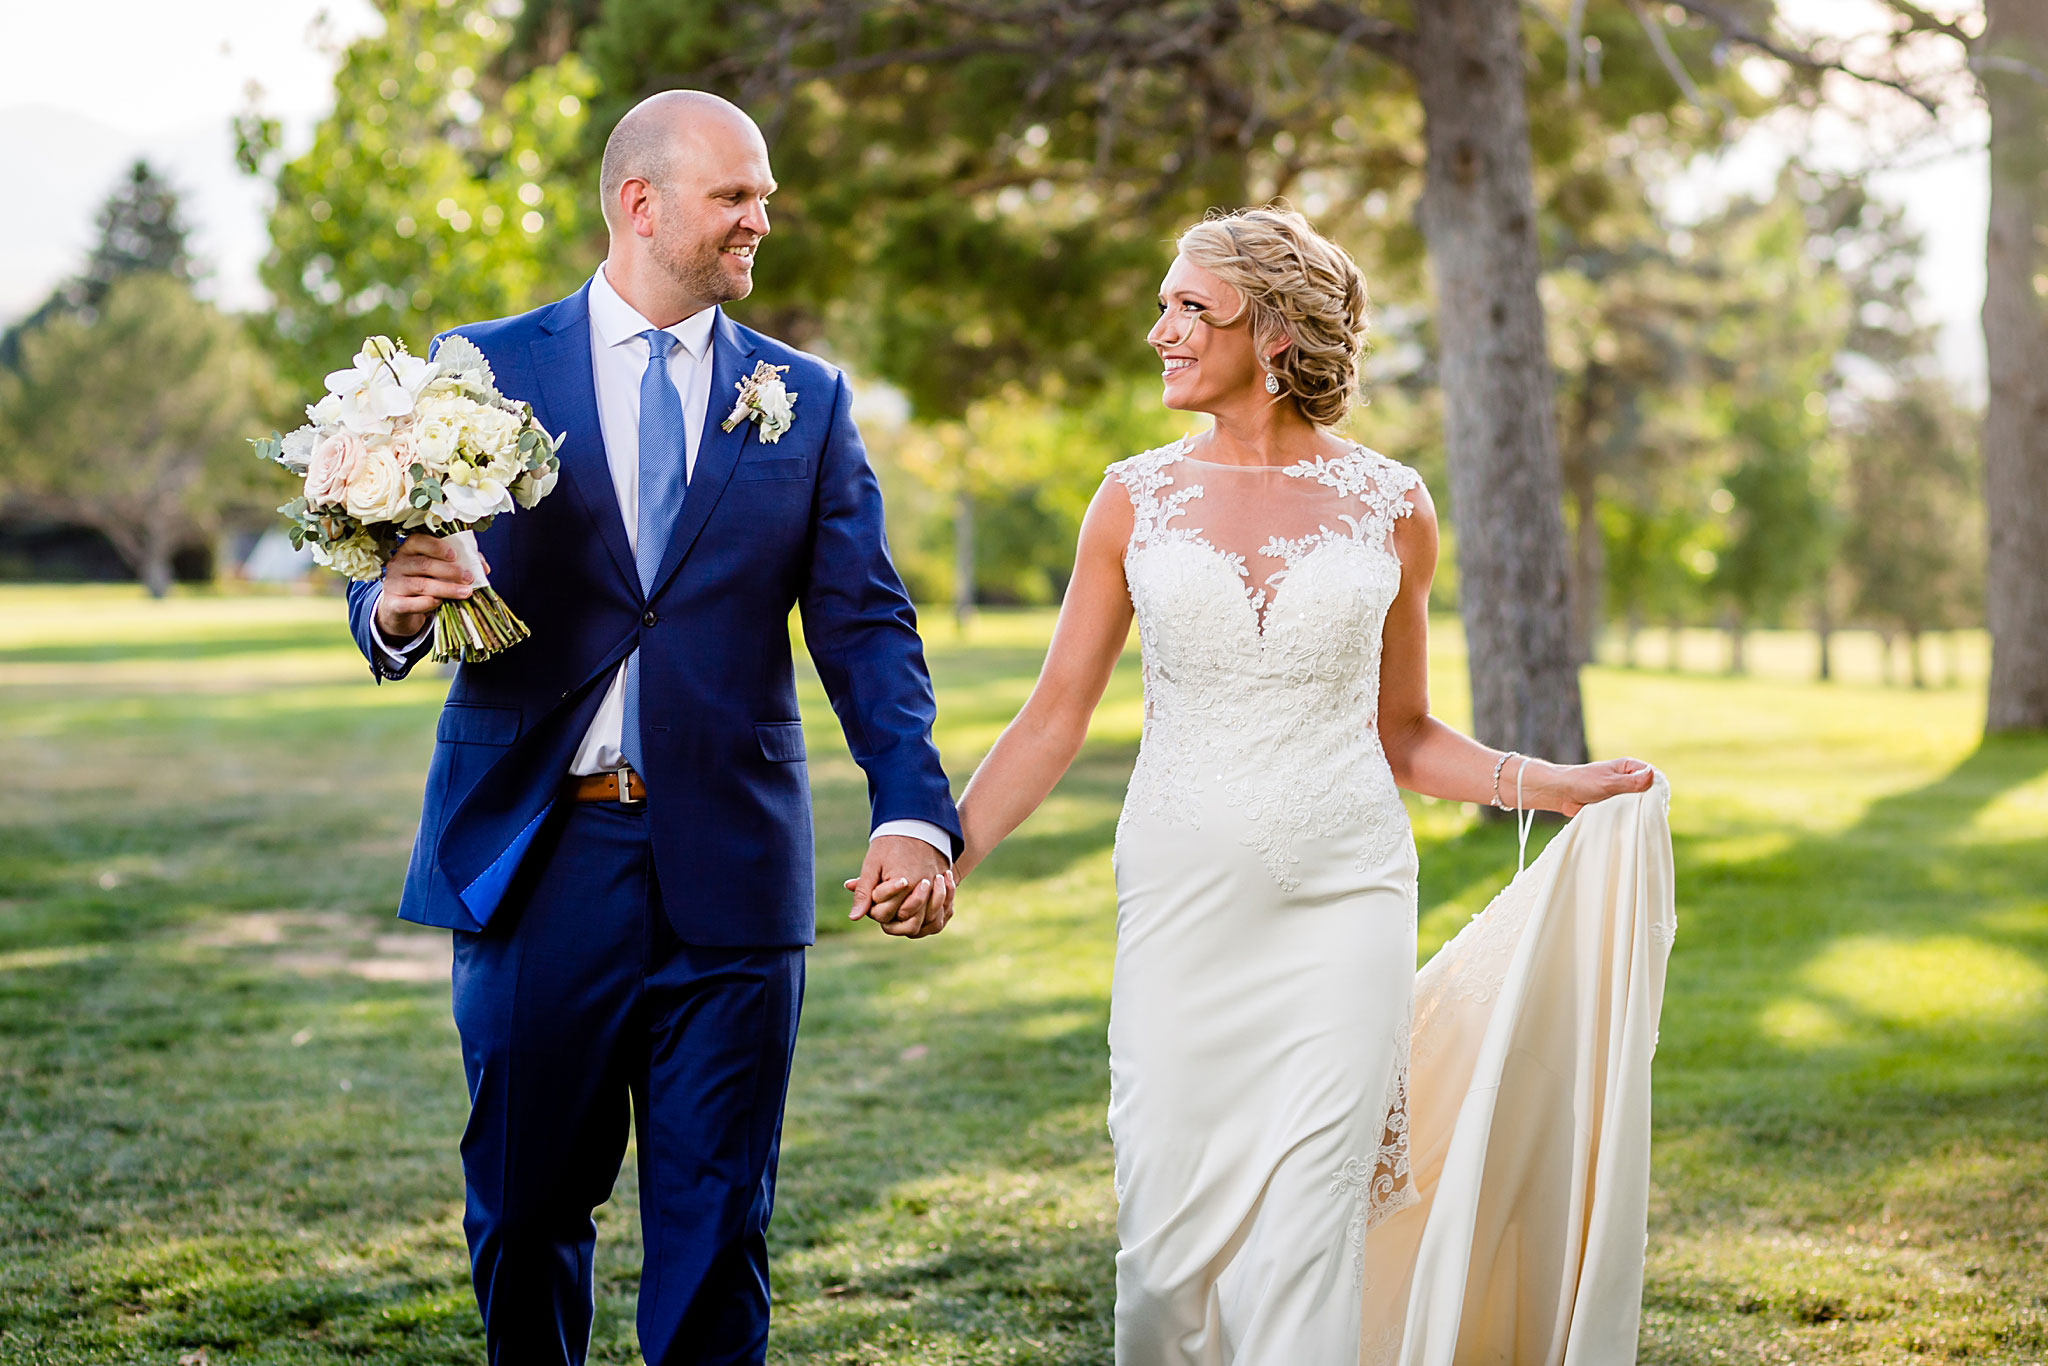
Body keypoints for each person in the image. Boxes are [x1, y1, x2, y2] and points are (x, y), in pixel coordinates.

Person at [886, 206, 1671, 1363]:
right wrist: (940, 847)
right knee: (1163, 1257)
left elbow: (1400, 733)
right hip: (1180, 907)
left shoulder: (1390, 504)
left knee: (1306, 1240)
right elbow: (1054, 717)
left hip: (1341, 902)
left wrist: (1547, 785)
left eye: (1186, 307)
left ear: (1273, 332)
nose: (1158, 329)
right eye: (1163, 304)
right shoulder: (1131, 498)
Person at [345, 91, 960, 1365]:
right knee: (523, 1210)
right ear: (642, 204)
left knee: (718, 1219)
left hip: (731, 870)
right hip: (535, 860)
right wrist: (393, 606)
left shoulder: (805, 396)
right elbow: (398, 559)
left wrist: (911, 808)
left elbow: (864, 628)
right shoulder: (485, 370)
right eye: (737, 195)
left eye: (764, 195)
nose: (761, 218)